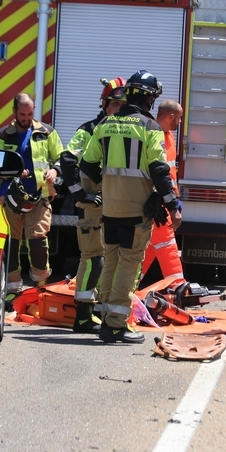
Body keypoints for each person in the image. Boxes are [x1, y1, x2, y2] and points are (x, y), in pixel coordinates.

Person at [80, 70, 181, 344]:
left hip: (109, 208)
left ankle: (104, 315)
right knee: (129, 264)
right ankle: (114, 326)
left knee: (111, 259)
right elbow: (160, 170)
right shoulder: (150, 128)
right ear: (148, 98)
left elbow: (87, 165)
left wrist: (108, 185)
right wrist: (172, 204)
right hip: (137, 210)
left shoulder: (105, 124)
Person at [58, 77, 126, 333]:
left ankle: (101, 309)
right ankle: (84, 316)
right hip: (94, 205)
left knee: (115, 258)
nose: (119, 109)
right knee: (93, 258)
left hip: (117, 206)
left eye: (123, 105)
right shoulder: (88, 130)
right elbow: (67, 159)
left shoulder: (122, 131)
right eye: (115, 104)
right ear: (105, 104)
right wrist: (80, 194)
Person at [0, 93, 63, 294]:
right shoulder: (2, 135)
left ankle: (41, 288)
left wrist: (54, 171)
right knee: (12, 243)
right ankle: (12, 290)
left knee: (39, 241)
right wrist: (14, 171)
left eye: (30, 113)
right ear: (14, 112)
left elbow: (61, 157)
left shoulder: (47, 133)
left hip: (39, 196)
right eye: (22, 114)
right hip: (11, 198)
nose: (26, 117)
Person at [139, 99, 185, 287]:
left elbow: (170, 173)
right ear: (171, 116)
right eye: (179, 118)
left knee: (148, 249)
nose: (180, 123)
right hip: (157, 205)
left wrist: (175, 198)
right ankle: (179, 290)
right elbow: (158, 174)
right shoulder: (154, 135)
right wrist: (171, 204)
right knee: (167, 247)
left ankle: (125, 288)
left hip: (164, 202)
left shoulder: (168, 137)